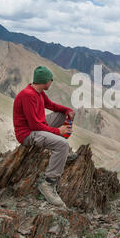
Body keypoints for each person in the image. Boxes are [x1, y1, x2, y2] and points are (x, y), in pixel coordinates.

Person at [13, 66, 76, 207]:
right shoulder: (28, 95)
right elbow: (34, 125)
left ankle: (60, 155)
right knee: (62, 144)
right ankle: (48, 184)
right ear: (45, 81)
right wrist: (58, 132)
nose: (51, 82)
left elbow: (52, 106)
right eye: (50, 79)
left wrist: (68, 110)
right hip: (27, 134)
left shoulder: (39, 92)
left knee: (62, 115)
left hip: (37, 126)